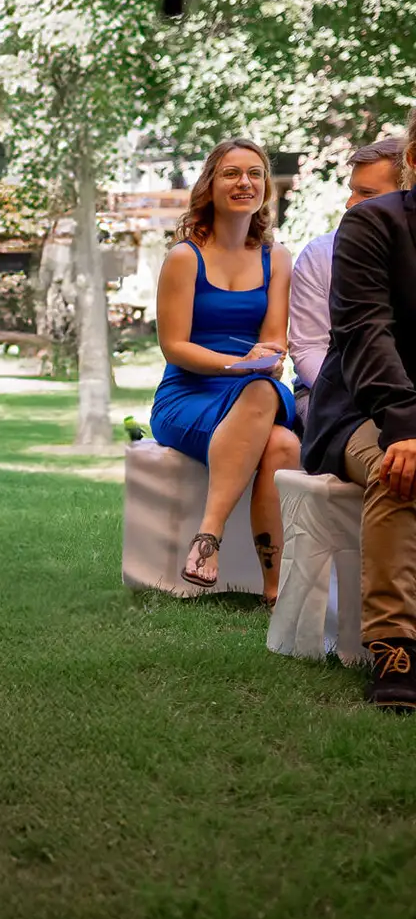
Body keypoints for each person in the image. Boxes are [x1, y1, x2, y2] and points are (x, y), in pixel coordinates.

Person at [150, 136, 299, 600]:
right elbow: (174, 347)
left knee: (282, 442)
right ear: (210, 185)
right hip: (188, 396)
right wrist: (239, 365)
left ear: (265, 189)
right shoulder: (183, 257)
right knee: (275, 427)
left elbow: (275, 338)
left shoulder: (278, 259)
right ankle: (209, 537)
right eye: (232, 173)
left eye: (255, 174)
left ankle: (273, 591)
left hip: (252, 389)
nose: (245, 183)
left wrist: (262, 360)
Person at [303, 110, 416, 709]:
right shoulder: (373, 225)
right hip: (362, 409)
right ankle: (394, 646)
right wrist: (407, 430)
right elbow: (368, 339)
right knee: (401, 469)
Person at [287, 136, 406, 397]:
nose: (349, 203)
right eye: (352, 190)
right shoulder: (320, 255)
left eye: (367, 193)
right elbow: (308, 348)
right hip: (328, 393)